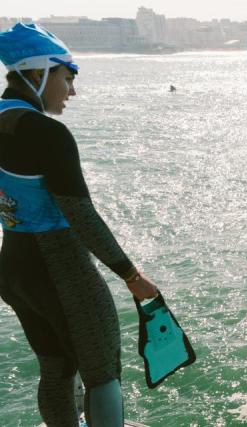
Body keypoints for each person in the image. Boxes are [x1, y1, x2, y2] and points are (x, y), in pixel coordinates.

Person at [0, 23, 159, 426]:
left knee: (55, 367)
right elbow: (80, 215)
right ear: (38, 74)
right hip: (61, 268)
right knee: (102, 371)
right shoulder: (47, 133)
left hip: (14, 268)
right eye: (67, 78)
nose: (71, 91)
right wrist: (131, 275)